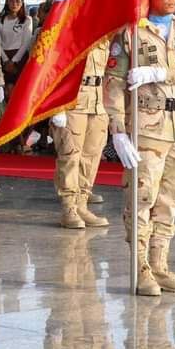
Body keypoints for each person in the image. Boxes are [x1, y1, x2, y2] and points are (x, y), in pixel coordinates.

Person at [106, 0, 175, 296]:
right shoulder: (131, 33)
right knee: (142, 198)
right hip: (146, 127)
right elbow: (114, 84)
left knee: (170, 200)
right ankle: (141, 269)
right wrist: (118, 130)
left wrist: (163, 73)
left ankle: (160, 265)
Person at [51, 34, 111, 229]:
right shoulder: (68, 31)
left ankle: (82, 204)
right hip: (73, 100)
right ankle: (69, 207)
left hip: (97, 100)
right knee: (70, 155)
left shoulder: (104, 35)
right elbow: (52, 69)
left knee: (91, 156)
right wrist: (57, 106)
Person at [0, 0, 33, 95]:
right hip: (4, 57)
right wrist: (6, 60)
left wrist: (14, 61)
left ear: (22, 3)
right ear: (7, 2)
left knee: (19, 90)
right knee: (6, 90)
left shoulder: (27, 20)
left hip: (20, 58)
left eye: (17, 1)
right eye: (11, 1)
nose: (14, 4)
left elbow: (26, 43)